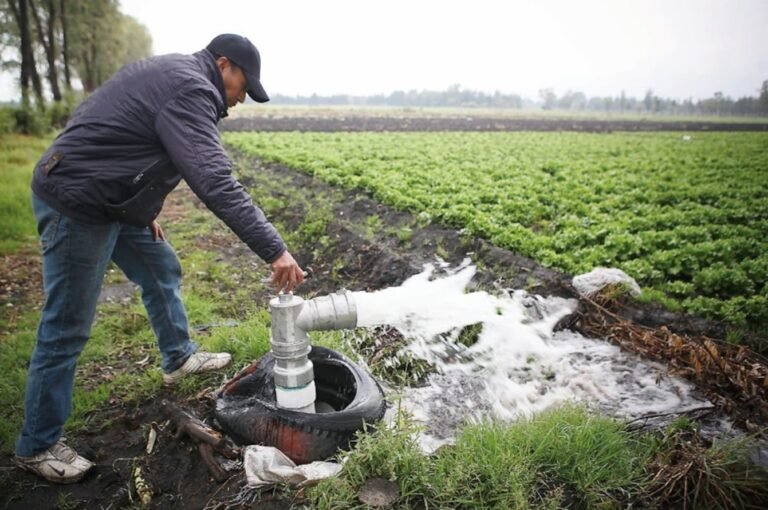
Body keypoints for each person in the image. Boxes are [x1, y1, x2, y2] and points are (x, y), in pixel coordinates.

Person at [14, 34, 304, 484]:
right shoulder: (192, 89)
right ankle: (36, 445)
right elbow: (214, 179)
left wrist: (140, 210)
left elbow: (125, 134)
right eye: (242, 86)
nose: (241, 99)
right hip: (80, 203)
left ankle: (178, 356)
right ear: (223, 64)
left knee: (159, 265)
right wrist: (275, 250)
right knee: (66, 325)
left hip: (112, 200)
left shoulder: (173, 72)